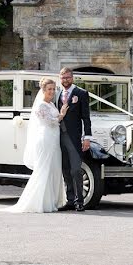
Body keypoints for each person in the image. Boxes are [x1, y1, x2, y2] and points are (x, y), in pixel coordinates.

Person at [0, 77, 68, 213]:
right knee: (44, 168)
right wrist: (62, 115)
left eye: (53, 89)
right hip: (45, 139)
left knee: (54, 168)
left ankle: (52, 200)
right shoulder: (41, 105)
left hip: (54, 140)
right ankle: (40, 202)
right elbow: (50, 122)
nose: (52, 92)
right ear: (43, 90)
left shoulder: (51, 105)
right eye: (49, 89)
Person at [56, 67, 92, 212]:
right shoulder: (57, 93)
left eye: (68, 77)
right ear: (60, 78)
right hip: (59, 137)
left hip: (74, 137)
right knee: (65, 169)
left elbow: (86, 118)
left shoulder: (81, 93)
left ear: (72, 78)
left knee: (76, 170)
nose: (65, 80)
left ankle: (79, 201)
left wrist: (87, 137)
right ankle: (70, 200)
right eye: (63, 78)